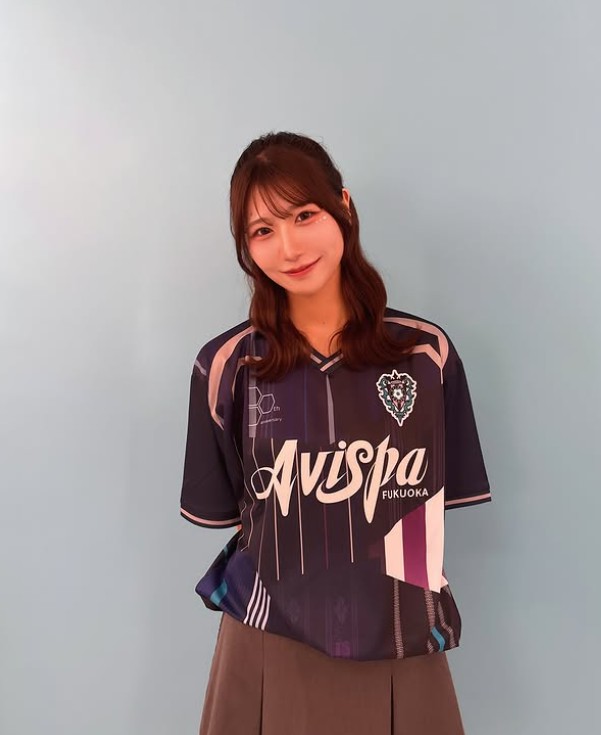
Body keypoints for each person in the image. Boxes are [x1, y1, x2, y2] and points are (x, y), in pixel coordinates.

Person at [180, 131, 491, 735]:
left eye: (304, 215)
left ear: (343, 206)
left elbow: (434, 505)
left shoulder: (427, 355)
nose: (289, 246)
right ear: (246, 247)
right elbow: (230, 513)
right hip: (266, 638)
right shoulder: (226, 367)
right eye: (262, 230)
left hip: (402, 633)